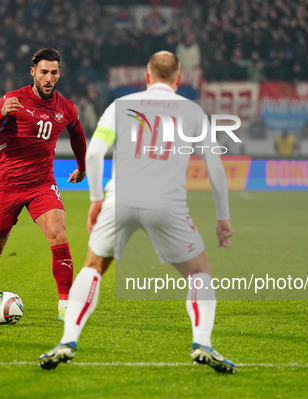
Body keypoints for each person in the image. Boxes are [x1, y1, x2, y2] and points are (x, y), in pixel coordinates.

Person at [39, 51, 237, 373]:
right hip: (168, 203)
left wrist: (95, 198)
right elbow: (214, 167)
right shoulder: (192, 111)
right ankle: (202, 342)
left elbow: (95, 154)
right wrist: (223, 217)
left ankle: (68, 340)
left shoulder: (121, 106)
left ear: (146, 77)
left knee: (94, 267)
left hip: (121, 199)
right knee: (199, 273)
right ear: (178, 80)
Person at [0, 48, 87, 321]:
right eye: (43, 72)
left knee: (58, 234)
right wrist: (0, 114)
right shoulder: (12, 99)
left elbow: (78, 136)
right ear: (33, 72)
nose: (48, 78)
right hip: (7, 183)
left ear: (59, 74)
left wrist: (82, 167)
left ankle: (65, 306)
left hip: (41, 183)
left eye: (53, 72)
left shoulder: (66, 107)